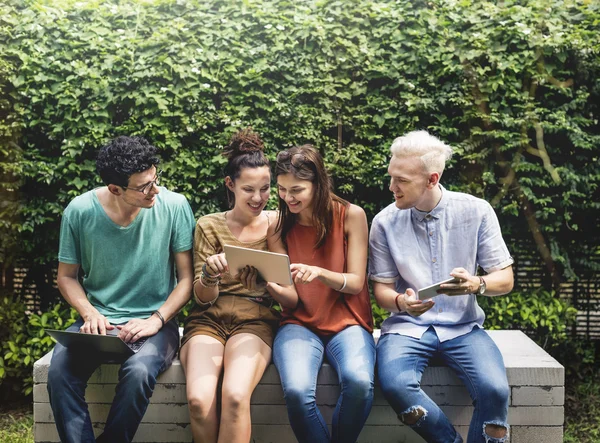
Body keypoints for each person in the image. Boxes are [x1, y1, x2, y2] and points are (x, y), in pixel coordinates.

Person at [47, 136, 195, 443]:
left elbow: (186, 279)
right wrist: (89, 313)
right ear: (115, 188)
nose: (155, 191)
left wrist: (156, 319)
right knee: (59, 372)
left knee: (139, 372)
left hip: (157, 323)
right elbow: (67, 277)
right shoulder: (79, 211)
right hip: (99, 323)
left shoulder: (175, 205)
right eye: (144, 187)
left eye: (156, 180)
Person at [369, 130, 514, 443]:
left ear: (432, 179)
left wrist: (477, 284)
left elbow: (505, 279)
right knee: (396, 386)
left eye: (401, 180)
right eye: (391, 176)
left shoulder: (476, 211)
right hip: (405, 328)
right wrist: (400, 302)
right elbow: (381, 292)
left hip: (464, 328)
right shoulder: (383, 222)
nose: (391, 186)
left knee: (496, 392)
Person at [180, 129, 297, 443]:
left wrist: (266, 282)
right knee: (199, 400)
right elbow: (201, 298)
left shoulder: (278, 223)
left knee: (233, 395)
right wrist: (209, 276)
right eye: (249, 189)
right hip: (208, 321)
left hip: (255, 321)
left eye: (265, 188)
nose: (258, 198)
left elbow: (291, 298)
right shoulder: (209, 225)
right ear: (230, 185)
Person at [271, 144, 375, 443]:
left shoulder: (351, 215)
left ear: (319, 184)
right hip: (298, 324)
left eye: (297, 190)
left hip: (348, 322)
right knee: (296, 390)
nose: (287, 197)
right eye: (281, 189)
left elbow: (356, 283)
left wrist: (320, 273)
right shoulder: (279, 229)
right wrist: (268, 283)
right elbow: (290, 299)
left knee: (359, 383)